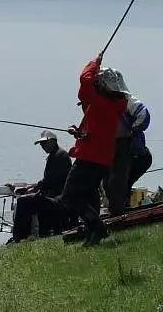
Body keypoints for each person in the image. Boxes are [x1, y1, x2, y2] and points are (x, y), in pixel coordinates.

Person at [57, 52, 130, 246]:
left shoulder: (103, 103)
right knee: (88, 198)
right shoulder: (111, 104)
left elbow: (84, 80)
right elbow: (96, 127)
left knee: (70, 197)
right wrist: (80, 132)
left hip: (90, 158)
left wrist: (94, 63)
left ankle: (98, 228)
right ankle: (93, 236)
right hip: (100, 158)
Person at [9, 130, 72, 242]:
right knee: (30, 200)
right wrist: (33, 188)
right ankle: (29, 235)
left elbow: (51, 180)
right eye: (41, 145)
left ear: (53, 141)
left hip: (58, 198)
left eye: (44, 143)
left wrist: (35, 188)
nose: (43, 146)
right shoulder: (55, 155)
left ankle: (19, 238)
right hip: (52, 196)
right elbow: (48, 180)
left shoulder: (60, 155)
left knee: (23, 202)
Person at [105, 96, 152, 215]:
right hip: (116, 155)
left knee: (120, 185)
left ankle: (121, 211)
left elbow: (144, 115)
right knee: (109, 184)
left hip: (137, 155)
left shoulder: (126, 100)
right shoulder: (100, 105)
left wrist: (132, 130)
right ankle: (121, 209)